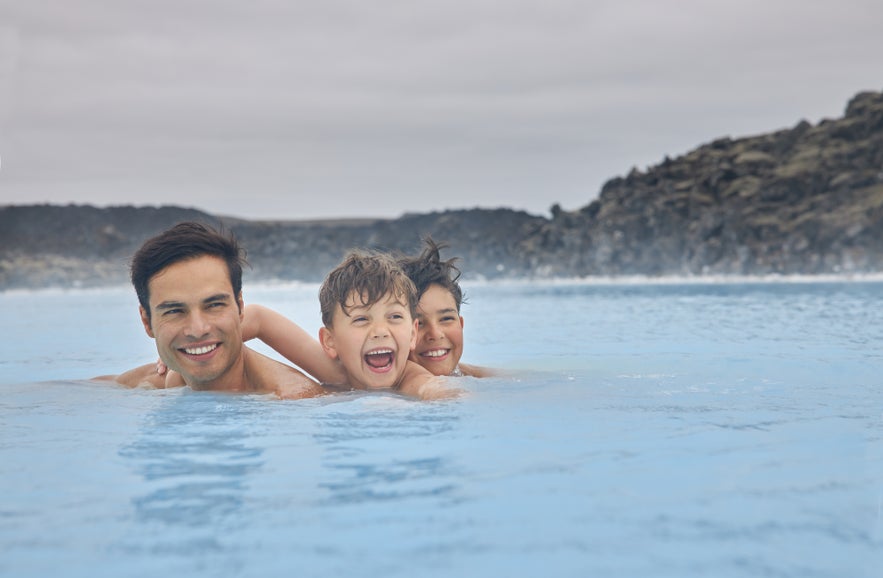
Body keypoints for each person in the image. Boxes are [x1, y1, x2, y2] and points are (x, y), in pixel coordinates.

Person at [95, 221, 330, 400]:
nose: (198, 330)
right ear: (147, 322)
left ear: (240, 308)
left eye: (214, 305)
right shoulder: (154, 382)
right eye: (175, 311)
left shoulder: (293, 401)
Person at [397, 237, 497, 377]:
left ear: (461, 324)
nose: (436, 334)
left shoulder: (477, 376)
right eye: (418, 324)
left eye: (446, 318)